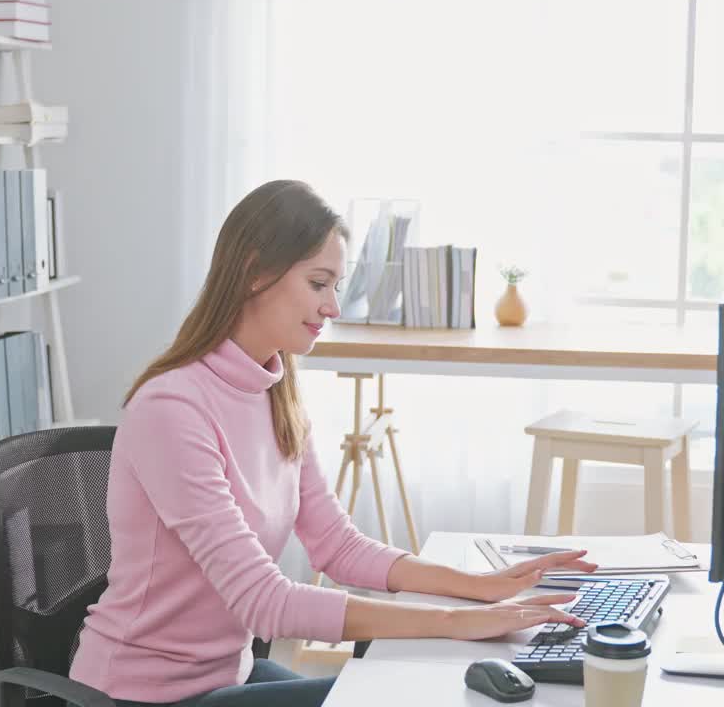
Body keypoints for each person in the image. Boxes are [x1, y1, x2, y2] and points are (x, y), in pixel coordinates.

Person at [69, 180, 595, 707]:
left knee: (412, 680)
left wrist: (477, 586)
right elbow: (264, 602)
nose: (333, 307)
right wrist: (456, 620)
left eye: (337, 286)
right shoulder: (171, 410)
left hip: (226, 677)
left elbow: (337, 547)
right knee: (406, 693)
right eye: (319, 283)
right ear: (255, 271)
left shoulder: (275, 393)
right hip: (139, 695)